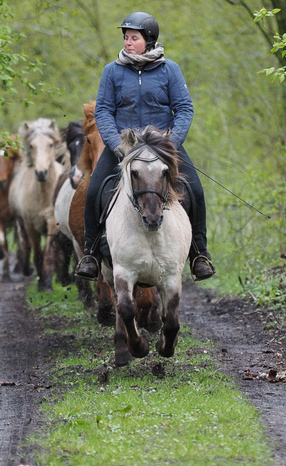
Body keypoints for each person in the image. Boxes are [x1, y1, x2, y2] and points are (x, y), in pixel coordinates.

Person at [75, 11, 215, 281]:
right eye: (126, 37)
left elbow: (184, 108)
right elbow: (103, 110)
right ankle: (90, 254)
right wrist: (116, 145)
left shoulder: (170, 70)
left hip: (163, 146)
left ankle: (199, 254)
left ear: (148, 41)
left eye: (134, 38)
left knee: (195, 190)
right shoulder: (112, 71)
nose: (128, 42)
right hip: (123, 146)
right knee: (93, 190)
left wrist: (171, 144)